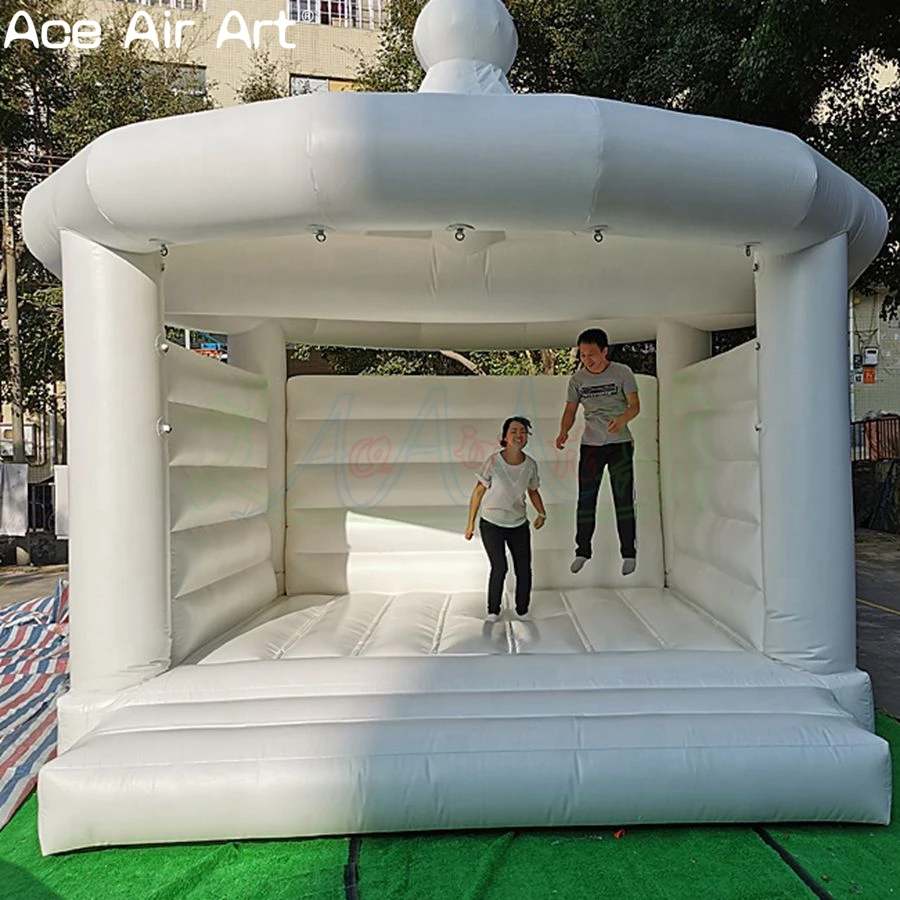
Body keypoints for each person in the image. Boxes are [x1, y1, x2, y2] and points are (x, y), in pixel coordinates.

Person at [555, 328, 641, 576]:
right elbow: (570, 410)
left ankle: (628, 553)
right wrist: (564, 431)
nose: (587, 359)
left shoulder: (622, 373)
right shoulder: (578, 380)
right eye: (582, 355)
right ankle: (582, 551)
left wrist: (622, 419)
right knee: (586, 499)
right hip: (591, 446)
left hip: (619, 445)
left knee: (623, 498)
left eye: (592, 354)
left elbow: (635, 406)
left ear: (605, 351)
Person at [465, 416, 547, 622]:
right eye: (514, 431)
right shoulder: (493, 461)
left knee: (524, 568)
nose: (519, 435)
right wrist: (470, 524)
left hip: (518, 523)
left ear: (527, 437)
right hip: (492, 523)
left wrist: (541, 512)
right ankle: (493, 610)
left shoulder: (530, 465)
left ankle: (522, 609)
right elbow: (477, 492)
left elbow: (533, 491)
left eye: (523, 431)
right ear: (504, 436)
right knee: (500, 566)